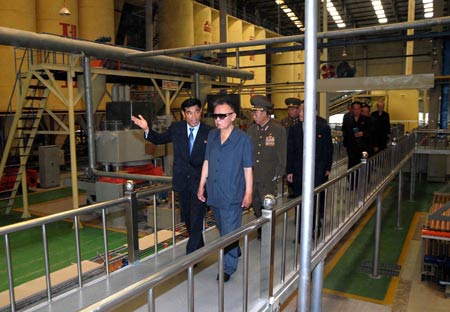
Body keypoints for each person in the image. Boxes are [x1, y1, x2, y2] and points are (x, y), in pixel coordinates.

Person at [131, 98, 212, 255]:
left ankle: (191, 256)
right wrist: (147, 129)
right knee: (187, 218)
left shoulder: (209, 132)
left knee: (196, 217)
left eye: (196, 112)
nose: (193, 116)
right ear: (183, 114)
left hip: (201, 183)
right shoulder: (177, 128)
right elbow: (159, 139)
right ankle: (199, 245)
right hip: (182, 182)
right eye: (189, 113)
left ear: (201, 111)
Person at [197, 96, 253, 282]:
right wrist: (201, 185)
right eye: (216, 116)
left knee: (229, 231)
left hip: (232, 193)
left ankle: (229, 267)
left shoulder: (243, 140)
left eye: (222, 116)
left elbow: (247, 168)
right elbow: (206, 161)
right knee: (222, 227)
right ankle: (234, 247)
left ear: (233, 116)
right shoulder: (212, 136)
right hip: (214, 191)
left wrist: (249, 192)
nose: (218, 120)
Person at [247, 95, 286, 239]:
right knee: (255, 203)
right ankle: (260, 226)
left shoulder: (278, 130)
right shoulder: (251, 130)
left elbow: (282, 152)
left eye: (255, 112)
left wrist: (280, 172)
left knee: (266, 203)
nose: (254, 115)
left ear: (264, 112)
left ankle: (266, 231)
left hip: (269, 175)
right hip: (254, 174)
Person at [342, 101, 372, 170]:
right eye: (355, 109)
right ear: (352, 109)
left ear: (360, 109)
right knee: (351, 165)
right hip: (351, 147)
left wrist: (363, 133)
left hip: (363, 147)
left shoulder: (366, 119)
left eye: (358, 108)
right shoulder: (347, 119)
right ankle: (351, 180)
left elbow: (371, 132)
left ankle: (363, 179)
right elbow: (345, 132)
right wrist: (345, 145)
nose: (356, 111)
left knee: (363, 166)